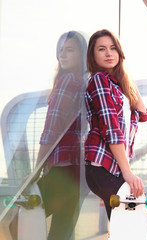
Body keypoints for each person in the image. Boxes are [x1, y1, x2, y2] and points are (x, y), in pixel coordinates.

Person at [84, 29, 147, 239]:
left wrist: (124, 73)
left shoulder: (117, 85)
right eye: (101, 49)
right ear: (93, 56)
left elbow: (143, 112)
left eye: (113, 49)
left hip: (112, 169)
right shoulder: (99, 81)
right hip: (103, 169)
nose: (109, 53)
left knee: (124, 234)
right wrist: (128, 173)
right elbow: (111, 130)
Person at [11, 31, 89, 240]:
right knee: (61, 235)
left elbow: (51, 131)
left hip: (63, 172)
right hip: (79, 174)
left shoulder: (67, 82)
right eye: (60, 50)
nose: (62, 55)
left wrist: (36, 171)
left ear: (81, 54)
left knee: (16, 224)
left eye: (69, 50)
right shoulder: (84, 84)